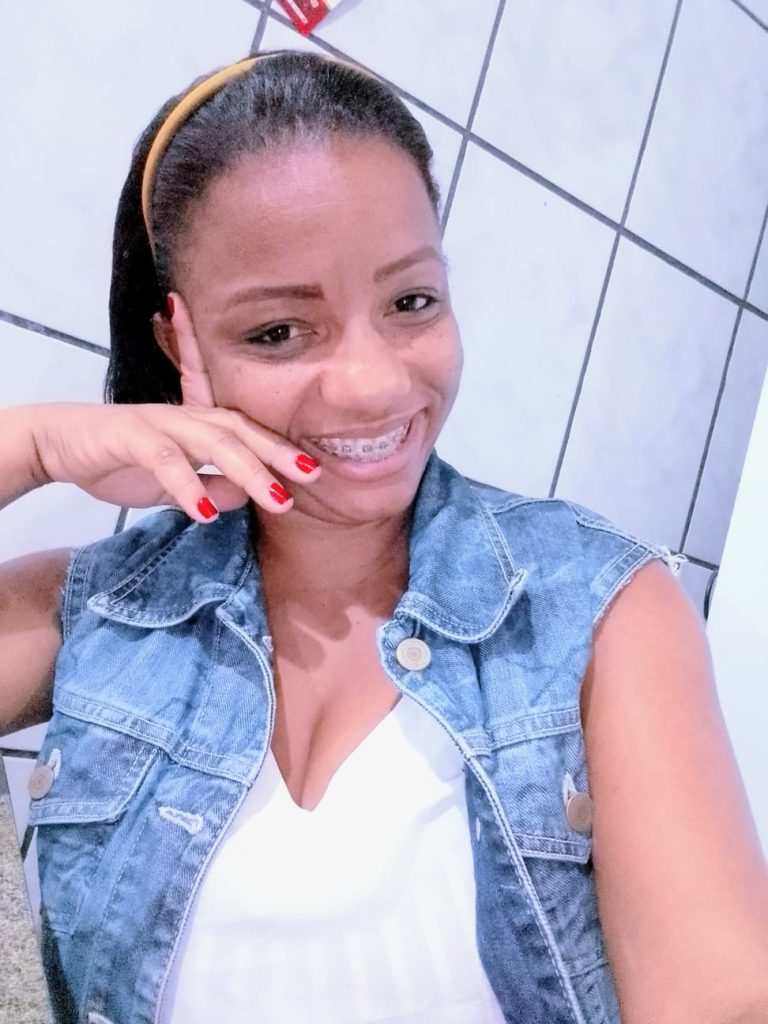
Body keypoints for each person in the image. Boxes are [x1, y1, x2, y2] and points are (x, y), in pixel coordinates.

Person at [1, 49, 766, 1024]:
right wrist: (33, 444)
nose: (373, 385)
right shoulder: (101, 617)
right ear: (177, 342)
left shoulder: (597, 610)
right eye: (279, 331)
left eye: (411, 302)